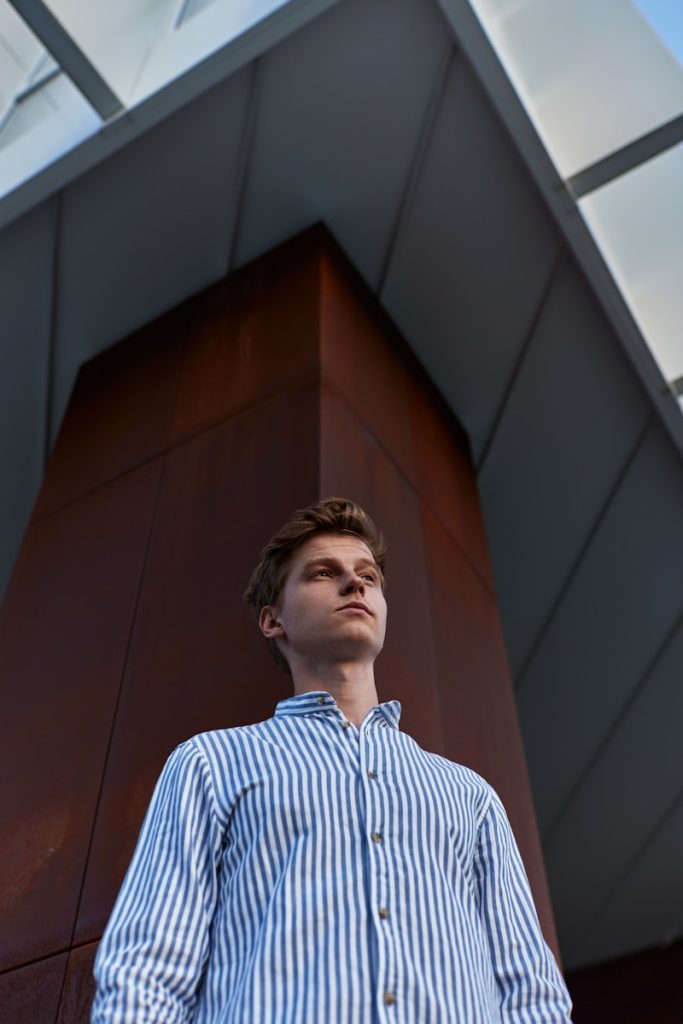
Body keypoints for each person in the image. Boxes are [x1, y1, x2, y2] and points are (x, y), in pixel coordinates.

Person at [91, 497, 572, 1023]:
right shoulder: (210, 765)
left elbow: (529, 989)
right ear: (272, 620)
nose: (355, 584)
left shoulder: (470, 795)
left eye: (368, 576)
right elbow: (147, 970)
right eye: (324, 572)